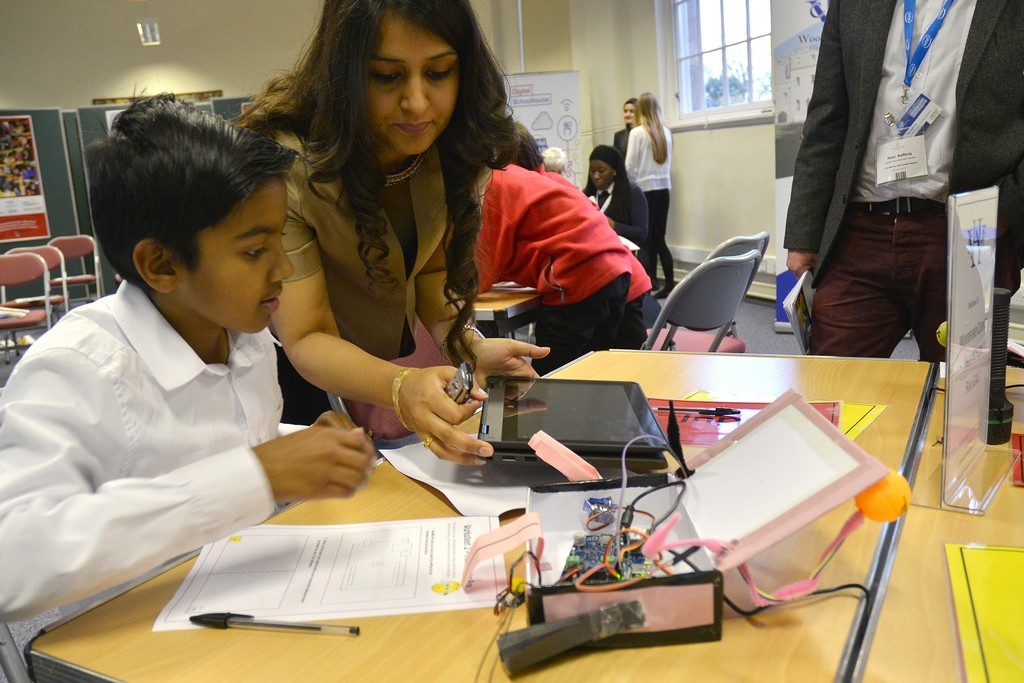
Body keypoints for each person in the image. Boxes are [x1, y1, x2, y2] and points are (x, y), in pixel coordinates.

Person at [0, 95, 378, 620]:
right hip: (134, 635)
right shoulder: (76, 369)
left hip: (240, 595)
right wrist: (258, 474)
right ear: (160, 264)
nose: (284, 269)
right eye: (254, 251)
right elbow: (13, 562)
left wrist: (304, 446)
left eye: (279, 242)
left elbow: (219, 436)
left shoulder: (243, 333)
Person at [239, 0, 547, 464]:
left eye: (439, 72)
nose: (417, 103)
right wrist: (400, 386)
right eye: (386, 76)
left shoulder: (450, 145)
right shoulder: (289, 166)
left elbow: (430, 275)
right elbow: (307, 336)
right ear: (343, 74)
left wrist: (469, 346)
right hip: (295, 382)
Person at [784, 0, 1024, 363]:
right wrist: (804, 235)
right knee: (831, 384)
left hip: (967, 233)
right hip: (860, 232)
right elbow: (827, 117)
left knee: (960, 390)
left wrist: (1003, 211)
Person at [476, 138, 652, 376]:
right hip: (618, 272)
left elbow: (487, 260)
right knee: (601, 371)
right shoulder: (551, 181)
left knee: (551, 375)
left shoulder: (498, 183)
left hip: (579, 276)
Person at [625, 92, 674, 297]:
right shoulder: (666, 132)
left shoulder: (637, 133)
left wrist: (631, 188)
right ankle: (669, 284)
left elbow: (629, 166)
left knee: (645, 240)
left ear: (640, 110)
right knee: (659, 239)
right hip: (663, 191)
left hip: (644, 192)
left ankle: (648, 284)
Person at [583, 144, 649, 248]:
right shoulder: (586, 195)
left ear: (614, 171)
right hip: (593, 250)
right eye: (592, 171)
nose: (596, 176)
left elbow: (641, 233)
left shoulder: (633, 193)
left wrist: (614, 225)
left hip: (622, 253)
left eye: (601, 171)